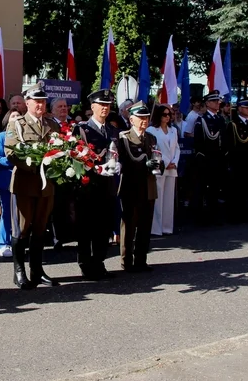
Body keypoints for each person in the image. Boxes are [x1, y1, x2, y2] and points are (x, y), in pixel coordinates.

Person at [4, 83, 61, 289]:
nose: (40, 105)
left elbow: (60, 148)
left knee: (40, 228)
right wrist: (34, 165)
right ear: (27, 103)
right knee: (21, 229)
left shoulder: (51, 124)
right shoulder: (17, 124)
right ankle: (19, 272)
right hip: (25, 184)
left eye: (43, 101)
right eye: (37, 101)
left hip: (46, 186)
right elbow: (11, 153)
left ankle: (37, 271)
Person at [74, 90, 119, 280]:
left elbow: (118, 154)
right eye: (101, 105)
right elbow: (76, 155)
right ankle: (85, 264)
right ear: (92, 107)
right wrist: (96, 168)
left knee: (104, 226)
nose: (105, 108)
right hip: (88, 186)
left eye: (107, 105)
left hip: (107, 186)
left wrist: (118, 164)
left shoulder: (112, 130)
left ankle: (99, 262)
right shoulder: (82, 129)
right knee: (86, 227)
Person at [118, 103, 160, 272]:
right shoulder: (125, 137)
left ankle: (141, 259)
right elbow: (126, 162)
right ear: (131, 119)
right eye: (141, 118)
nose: (144, 121)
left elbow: (156, 156)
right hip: (131, 185)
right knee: (129, 226)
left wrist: (159, 165)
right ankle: (126, 261)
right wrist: (145, 164)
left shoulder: (151, 138)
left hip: (149, 186)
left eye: (146, 117)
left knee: (145, 225)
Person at [146, 105, 179, 236]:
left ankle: (167, 227)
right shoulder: (152, 130)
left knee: (169, 199)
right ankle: (156, 228)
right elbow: (154, 148)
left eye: (169, 114)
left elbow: (177, 148)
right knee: (158, 198)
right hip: (159, 166)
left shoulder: (173, 130)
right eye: (165, 114)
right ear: (158, 115)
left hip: (172, 168)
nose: (167, 117)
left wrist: (174, 162)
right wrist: (165, 161)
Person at [193, 91, 226, 222]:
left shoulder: (220, 119)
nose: (217, 103)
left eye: (218, 101)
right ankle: (202, 217)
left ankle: (214, 214)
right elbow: (199, 141)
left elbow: (224, 139)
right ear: (207, 103)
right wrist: (203, 158)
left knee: (216, 188)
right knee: (203, 188)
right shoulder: (202, 120)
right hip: (206, 159)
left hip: (218, 158)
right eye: (214, 101)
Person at [0, 110, 20, 258]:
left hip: (23, 179)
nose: (16, 118)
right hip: (6, 179)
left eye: (18, 116)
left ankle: (18, 241)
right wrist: (15, 163)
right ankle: (4, 243)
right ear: (7, 119)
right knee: (7, 213)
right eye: (13, 116)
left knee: (21, 213)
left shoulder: (23, 137)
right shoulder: (1, 136)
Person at [223, 100, 248, 217]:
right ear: (239, 109)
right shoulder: (234, 124)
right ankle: (235, 213)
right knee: (236, 188)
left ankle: (245, 212)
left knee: (246, 187)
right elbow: (230, 144)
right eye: (246, 108)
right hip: (237, 161)